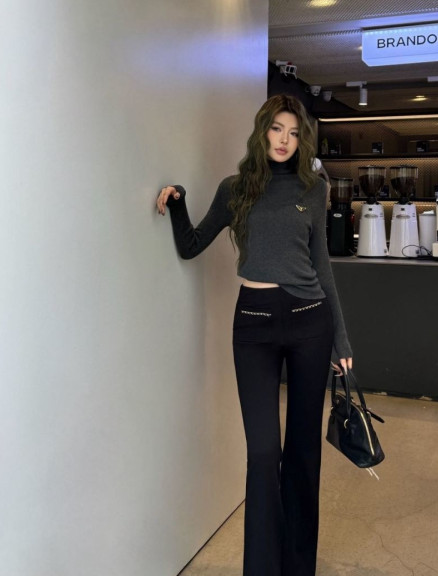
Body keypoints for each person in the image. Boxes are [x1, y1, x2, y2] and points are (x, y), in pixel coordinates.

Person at [155, 94, 353, 576]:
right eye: (277, 129)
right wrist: (178, 200)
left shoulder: (314, 188)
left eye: (294, 133)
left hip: (310, 322)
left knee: (303, 453)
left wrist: (341, 341)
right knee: (264, 454)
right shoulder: (236, 189)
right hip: (254, 325)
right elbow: (191, 244)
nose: (284, 140)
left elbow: (322, 267)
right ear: (262, 131)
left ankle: (298, 567)